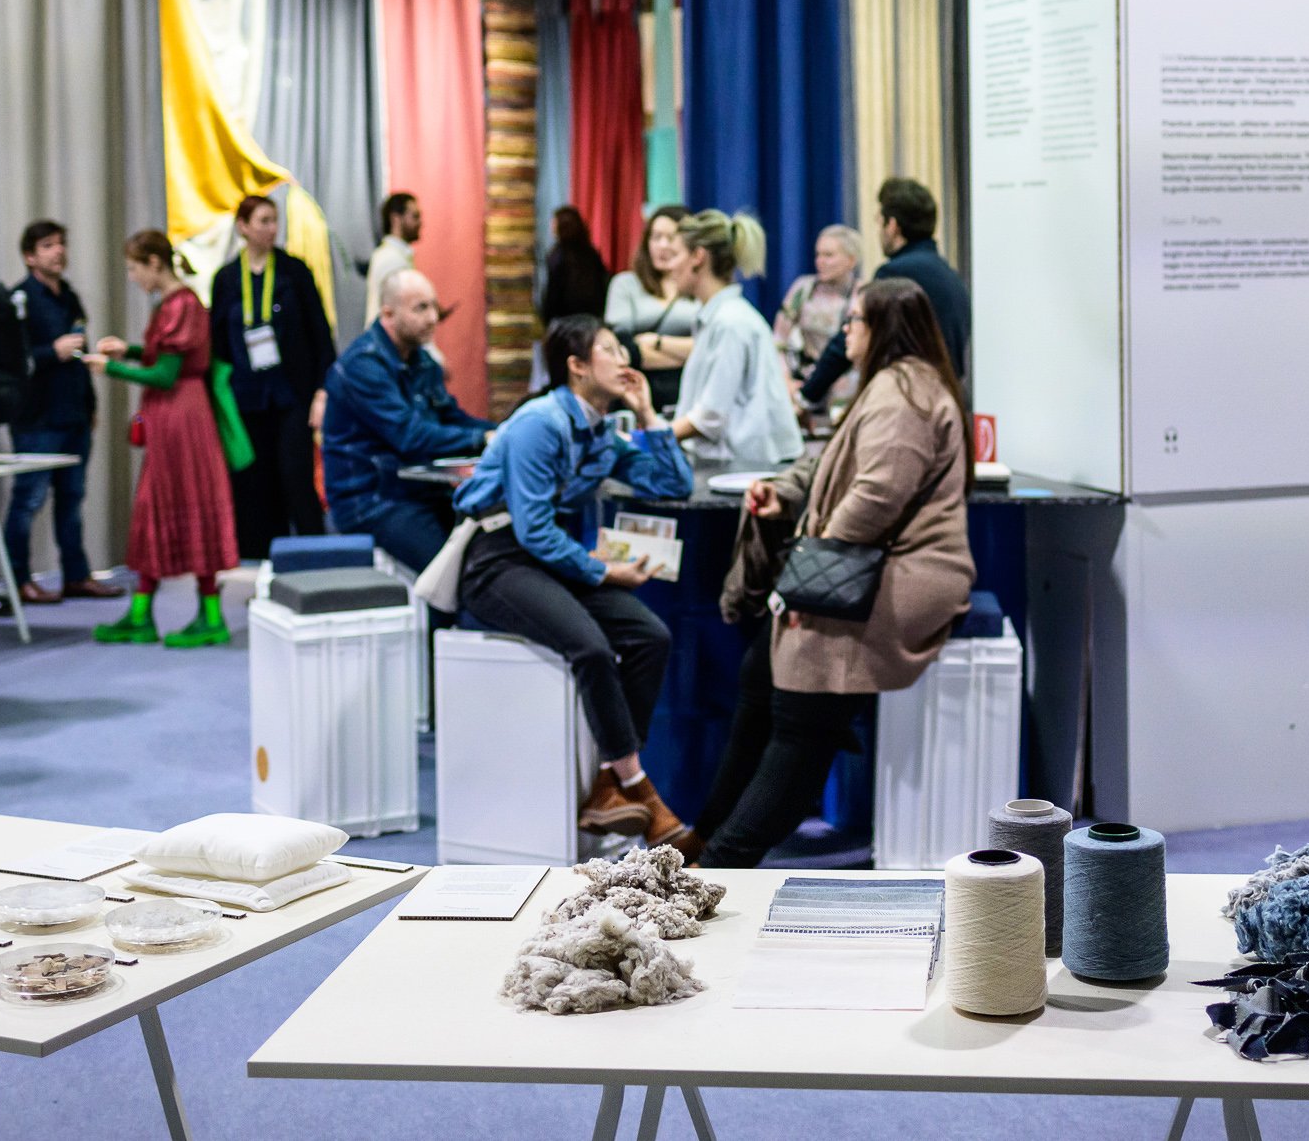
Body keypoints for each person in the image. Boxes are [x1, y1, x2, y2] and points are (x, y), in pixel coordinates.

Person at [693, 277, 975, 868]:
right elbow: (830, 463)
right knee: (758, 675)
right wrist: (786, 492)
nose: (844, 330)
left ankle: (723, 859)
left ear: (882, 330)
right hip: (868, 568)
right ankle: (707, 835)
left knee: (802, 720)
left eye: (854, 321)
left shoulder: (904, 395)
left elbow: (875, 496)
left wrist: (809, 564)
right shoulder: (891, 386)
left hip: (896, 580)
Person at [452, 315, 694, 845]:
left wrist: (649, 413)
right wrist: (606, 570)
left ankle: (608, 783)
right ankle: (640, 790)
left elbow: (674, 482)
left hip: (548, 555)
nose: (625, 360)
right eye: (610, 350)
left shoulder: (606, 430)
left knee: (650, 636)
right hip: (497, 559)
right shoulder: (541, 421)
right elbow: (534, 530)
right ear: (578, 367)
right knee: (591, 647)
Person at [84, 231, 241, 647]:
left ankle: (200, 617)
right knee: (158, 510)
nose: (133, 277)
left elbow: (167, 374)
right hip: (176, 417)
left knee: (178, 505)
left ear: (155, 263)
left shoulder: (181, 305)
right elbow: (167, 361)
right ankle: (151, 614)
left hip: (180, 418)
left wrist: (111, 369)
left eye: (135, 268)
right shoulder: (177, 304)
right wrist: (130, 352)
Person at [319, 269, 492, 572]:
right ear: (388, 313)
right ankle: (442, 620)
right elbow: (410, 436)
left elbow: (452, 418)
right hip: (371, 501)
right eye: (420, 308)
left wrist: (506, 433)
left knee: (490, 547)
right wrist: (483, 440)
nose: (432, 318)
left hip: (416, 490)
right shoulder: (362, 365)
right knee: (449, 571)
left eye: (434, 307)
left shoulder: (421, 361)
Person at [208, 193, 336, 560]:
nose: (271, 228)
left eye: (274, 220)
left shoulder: (295, 272)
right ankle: (260, 557)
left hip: (291, 393)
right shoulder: (227, 279)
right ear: (243, 227)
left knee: (295, 472)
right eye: (262, 221)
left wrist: (321, 393)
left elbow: (321, 337)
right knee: (254, 480)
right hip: (246, 395)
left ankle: (315, 555)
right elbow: (217, 347)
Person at [5, 221, 122, 603]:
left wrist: (90, 405)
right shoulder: (19, 299)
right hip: (37, 418)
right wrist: (48, 353)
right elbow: (10, 360)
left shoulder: (69, 296)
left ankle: (77, 575)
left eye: (61, 243)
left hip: (73, 414)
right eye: (48, 245)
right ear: (29, 256)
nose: (58, 251)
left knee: (72, 500)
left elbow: (80, 357)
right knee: (29, 501)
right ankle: (18, 579)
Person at [799, 180, 969, 411]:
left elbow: (850, 339)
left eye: (879, 223)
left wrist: (807, 395)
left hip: (913, 405)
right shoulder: (950, 276)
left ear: (892, 226)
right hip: (947, 402)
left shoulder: (895, 274)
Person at [667, 209, 803, 468]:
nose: (669, 266)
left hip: (744, 472)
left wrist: (648, 439)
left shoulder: (730, 323)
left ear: (698, 257)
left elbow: (710, 416)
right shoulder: (720, 318)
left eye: (675, 255)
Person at [606, 203, 699, 412]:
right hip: (635, 396)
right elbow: (625, 351)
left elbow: (712, 346)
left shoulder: (697, 287)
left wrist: (656, 342)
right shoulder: (626, 284)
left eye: (671, 238)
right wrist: (689, 351)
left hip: (690, 396)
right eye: (656, 237)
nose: (662, 246)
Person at [773, 223, 864, 401]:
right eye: (818, 254)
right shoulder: (803, 289)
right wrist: (785, 380)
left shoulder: (861, 295)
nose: (820, 261)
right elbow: (778, 341)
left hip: (844, 391)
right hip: (802, 385)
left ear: (851, 260)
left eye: (829, 255)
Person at [539, 206, 612, 325]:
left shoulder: (557, 256)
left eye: (553, 222)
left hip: (564, 323)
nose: (550, 226)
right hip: (592, 319)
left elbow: (551, 296)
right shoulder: (591, 253)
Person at [362, 191, 422, 328]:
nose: (420, 223)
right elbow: (403, 314)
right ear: (396, 218)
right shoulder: (392, 259)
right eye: (415, 216)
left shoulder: (390, 255)